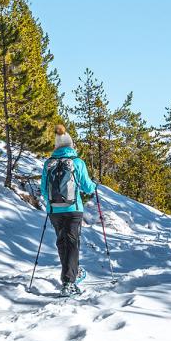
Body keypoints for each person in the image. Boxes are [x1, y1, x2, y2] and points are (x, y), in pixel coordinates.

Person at [40, 124, 97, 295]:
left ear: (56, 145)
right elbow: (87, 187)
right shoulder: (77, 162)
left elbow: (43, 189)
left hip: (54, 210)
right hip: (73, 209)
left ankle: (69, 274)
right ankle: (69, 281)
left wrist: (52, 203)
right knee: (72, 243)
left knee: (62, 242)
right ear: (71, 145)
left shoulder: (48, 163)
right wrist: (94, 185)